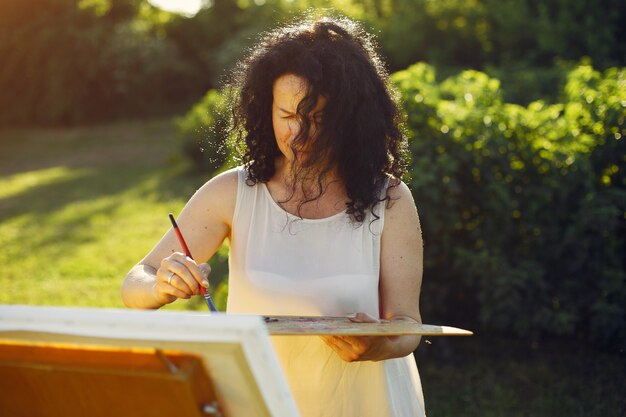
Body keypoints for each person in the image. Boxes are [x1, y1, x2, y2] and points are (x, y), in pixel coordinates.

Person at [122, 14, 426, 417]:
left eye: (317, 118)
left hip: (365, 402)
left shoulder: (389, 198)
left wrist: (379, 345)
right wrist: (160, 283)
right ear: (266, 111)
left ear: (352, 119)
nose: (299, 135)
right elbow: (134, 284)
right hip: (256, 402)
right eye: (287, 116)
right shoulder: (233, 192)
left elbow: (407, 326)